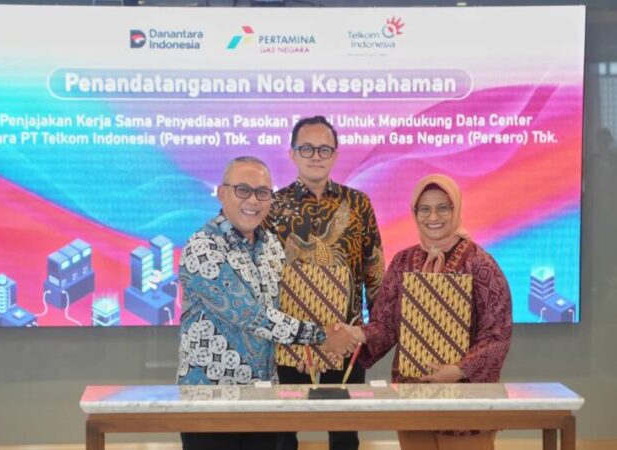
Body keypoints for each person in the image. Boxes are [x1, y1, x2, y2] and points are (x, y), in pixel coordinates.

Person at [177, 156, 359, 450]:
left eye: (262, 192)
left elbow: (281, 311)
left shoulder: (271, 246)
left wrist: (302, 352)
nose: (253, 200)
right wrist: (321, 335)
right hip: (210, 400)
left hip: (263, 399)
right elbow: (251, 316)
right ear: (222, 193)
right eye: (243, 190)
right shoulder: (203, 247)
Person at [343, 173, 513, 450]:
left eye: (443, 207)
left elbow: (497, 335)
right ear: (414, 212)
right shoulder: (403, 261)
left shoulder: (481, 264)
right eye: (424, 209)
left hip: (465, 400)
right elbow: (385, 325)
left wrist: (458, 370)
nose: (433, 216)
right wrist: (355, 335)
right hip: (413, 396)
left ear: (456, 208)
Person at [265, 116, 386, 450]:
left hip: (345, 338)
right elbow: (265, 277)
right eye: (307, 148)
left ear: (335, 154)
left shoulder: (358, 204)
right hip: (291, 341)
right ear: (292, 154)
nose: (315, 156)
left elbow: (374, 269)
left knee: (344, 432)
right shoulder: (272, 207)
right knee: (283, 434)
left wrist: (373, 335)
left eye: (324, 149)